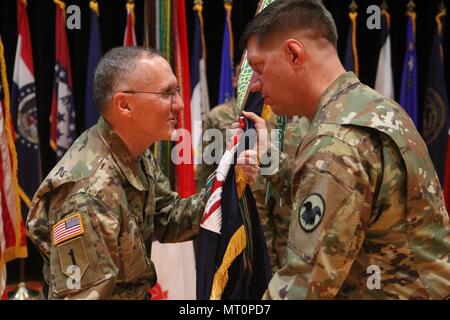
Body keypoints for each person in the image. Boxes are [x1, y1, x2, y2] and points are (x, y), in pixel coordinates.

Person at [240, 0, 450, 299]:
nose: (255, 85)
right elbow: (350, 205)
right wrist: (271, 159)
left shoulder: (335, 140)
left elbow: (304, 285)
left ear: (293, 54)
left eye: (258, 68)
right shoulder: (372, 107)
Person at [26, 46, 257, 299]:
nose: (180, 105)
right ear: (124, 104)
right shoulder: (88, 193)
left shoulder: (132, 150)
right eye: (167, 93)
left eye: (177, 91)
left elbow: (169, 219)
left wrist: (230, 177)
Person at [195, 98, 309, 273]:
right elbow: (205, 172)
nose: (254, 81)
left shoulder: (285, 113)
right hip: (242, 208)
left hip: (284, 211)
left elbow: (301, 185)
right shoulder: (220, 116)